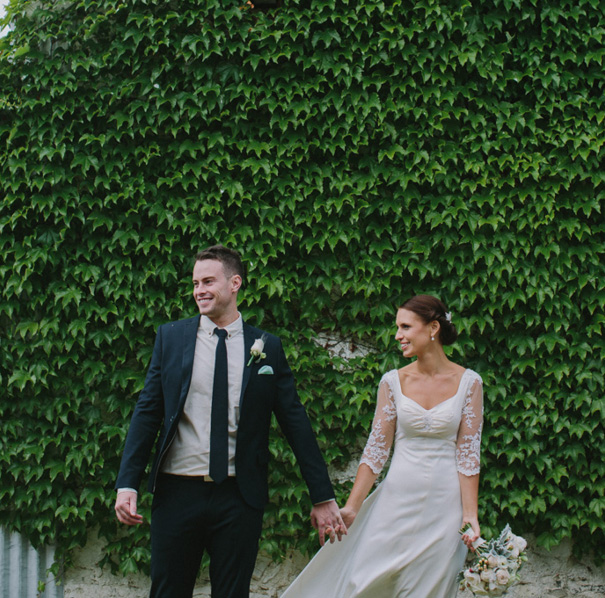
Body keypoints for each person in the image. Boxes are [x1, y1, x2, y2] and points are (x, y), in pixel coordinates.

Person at [115, 244, 345, 598]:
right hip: (177, 492)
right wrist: (127, 484)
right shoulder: (171, 338)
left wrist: (322, 495)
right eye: (195, 283)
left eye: (208, 281)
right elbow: (148, 411)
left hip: (239, 496)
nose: (199, 290)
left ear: (234, 283)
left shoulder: (267, 347)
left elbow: (295, 421)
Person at [280, 294, 483, 598]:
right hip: (396, 500)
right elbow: (376, 451)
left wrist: (470, 515)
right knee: (362, 583)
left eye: (405, 327)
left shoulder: (470, 383)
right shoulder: (392, 382)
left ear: (433, 328)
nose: (397, 335)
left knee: (431, 589)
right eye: (397, 327)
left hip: (445, 507)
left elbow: (468, 455)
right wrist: (352, 507)